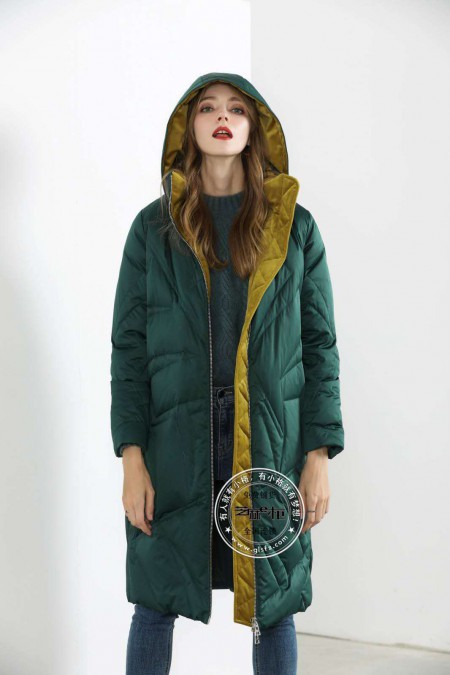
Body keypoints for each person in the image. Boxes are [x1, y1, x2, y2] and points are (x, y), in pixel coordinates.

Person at [110, 72, 345, 674]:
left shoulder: (294, 227)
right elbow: (128, 352)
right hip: (174, 440)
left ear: (254, 128)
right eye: (208, 108)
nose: (222, 117)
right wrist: (132, 457)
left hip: (269, 438)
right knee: (155, 601)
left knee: (274, 605)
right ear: (187, 126)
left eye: (237, 109)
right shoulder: (152, 229)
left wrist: (318, 454)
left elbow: (320, 347)